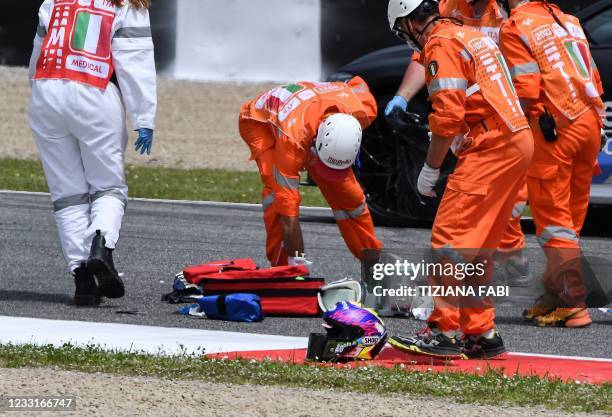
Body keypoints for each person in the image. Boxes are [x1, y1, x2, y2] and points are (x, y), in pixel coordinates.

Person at [386, 0, 533, 358]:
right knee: (479, 246)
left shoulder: (441, 43)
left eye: (402, 30)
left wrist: (431, 167)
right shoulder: (467, 34)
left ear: (408, 20)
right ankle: (481, 332)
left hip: (491, 146)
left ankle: (443, 331)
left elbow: (448, 116)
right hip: (516, 140)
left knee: (448, 239)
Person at [28, 0, 157, 305]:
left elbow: (37, 51)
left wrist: (38, 93)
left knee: (68, 194)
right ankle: (101, 244)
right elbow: (135, 61)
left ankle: (82, 278)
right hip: (94, 92)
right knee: (108, 187)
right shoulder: (128, 4)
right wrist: (143, 119)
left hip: (46, 92)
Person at [499, 0, 605, 327]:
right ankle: (555, 291)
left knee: (554, 220)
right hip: (590, 122)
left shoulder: (515, 26)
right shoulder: (568, 19)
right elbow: (592, 76)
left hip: (554, 128)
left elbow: (527, 90)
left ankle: (573, 303)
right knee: (570, 220)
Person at [238, 77, 383, 267]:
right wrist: (297, 260)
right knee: (278, 195)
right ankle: (282, 267)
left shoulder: (364, 108)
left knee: (351, 195)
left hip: (310, 116)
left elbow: (358, 82)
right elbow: (288, 213)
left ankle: (372, 262)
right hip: (259, 122)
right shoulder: (293, 142)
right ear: (315, 142)